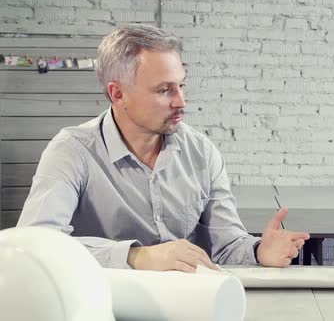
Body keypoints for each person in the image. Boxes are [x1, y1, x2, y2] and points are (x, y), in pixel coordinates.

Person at [17, 24, 310, 272]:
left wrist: (259, 251)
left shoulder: (201, 152)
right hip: (99, 303)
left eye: (181, 86)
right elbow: (37, 243)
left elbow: (227, 245)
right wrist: (136, 256)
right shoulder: (72, 152)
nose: (181, 101)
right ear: (118, 94)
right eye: (164, 90)